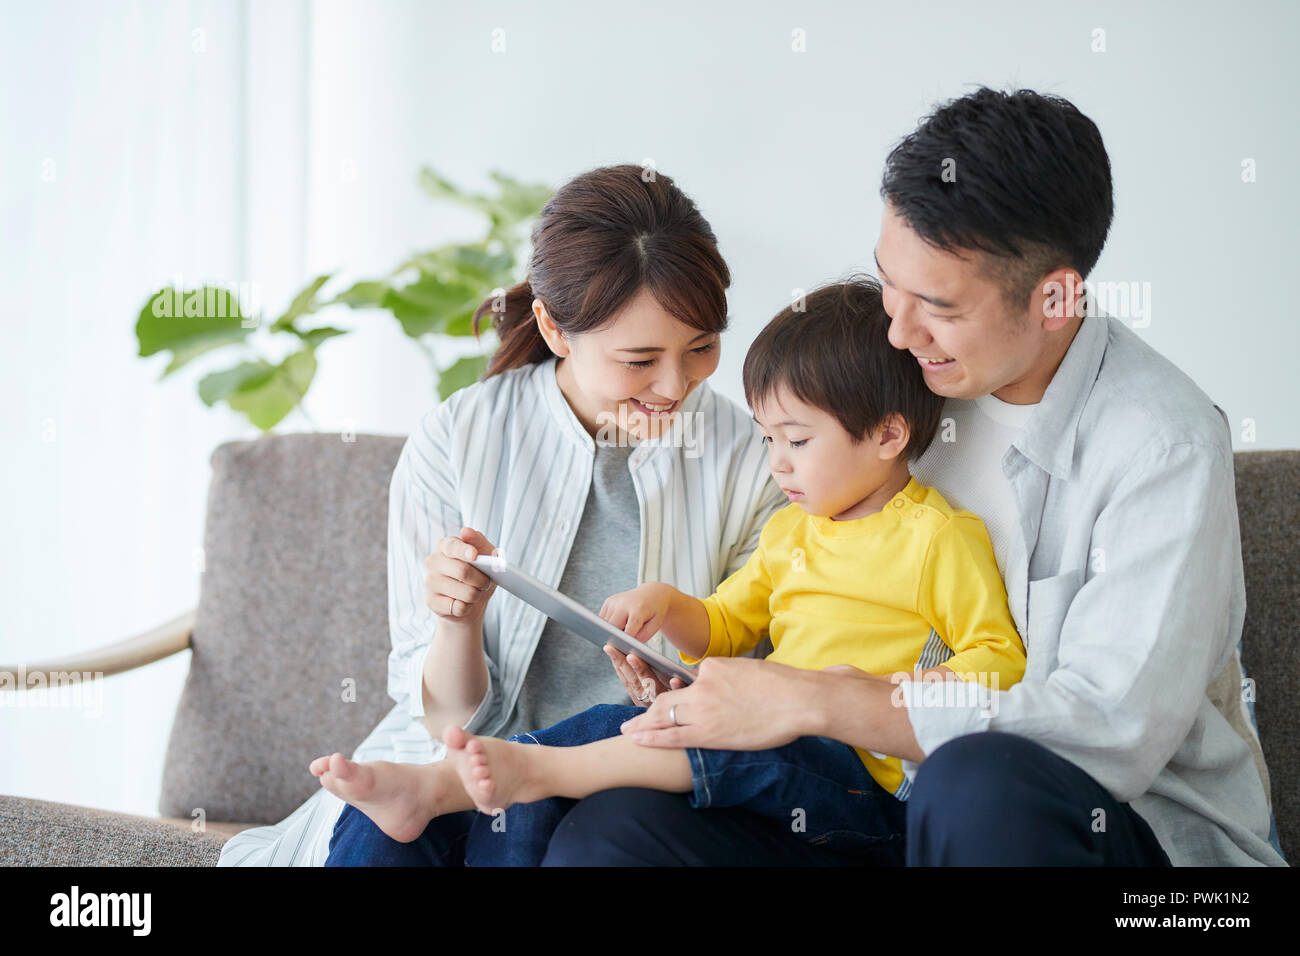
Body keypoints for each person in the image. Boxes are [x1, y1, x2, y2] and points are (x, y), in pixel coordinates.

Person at [540, 88, 1286, 867]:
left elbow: (1109, 733)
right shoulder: (896, 386)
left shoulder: (1160, 445)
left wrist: (822, 699)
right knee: (616, 830)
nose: (898, 328)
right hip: (876, 808)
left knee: (975, 783)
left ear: (1056, 297)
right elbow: (808, 599)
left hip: (1116, 838)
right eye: (889, 281)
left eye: (938, 305)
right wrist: (715, 693)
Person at [311, 278, 1028, 865]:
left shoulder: (938, 538)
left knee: (701, 738)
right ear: (558, 333)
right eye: (769, 438)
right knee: (624, 722)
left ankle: (528, 771)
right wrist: (667, 607)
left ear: (889, 435)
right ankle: (474, 778)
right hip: (769, 738)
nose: (777, 462)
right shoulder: (791, 531)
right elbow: (724, 626)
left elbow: (998, 664)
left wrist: (859, 694)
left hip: (857, 776)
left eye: (797, 441)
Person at [215, 164, 787, 866]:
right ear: (553, 327)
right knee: (373, 843)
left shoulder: (754, 456)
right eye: (640, 360)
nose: (675, 385)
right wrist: (457, 623)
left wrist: (680, 672)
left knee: (535, 836)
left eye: (701, 348)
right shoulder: (458, 438)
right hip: (454, 757)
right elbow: (445, 718)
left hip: (628, 773)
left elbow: (762, 672)